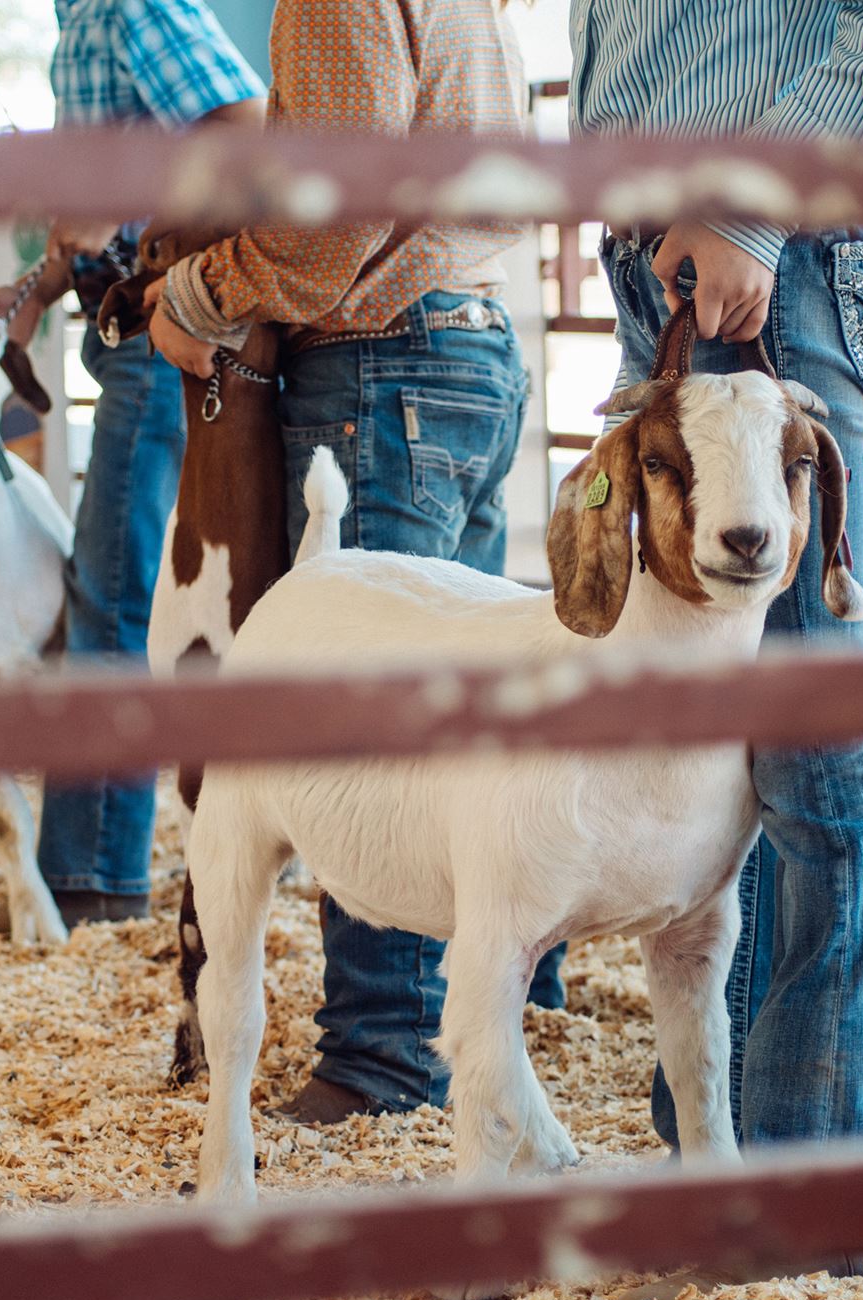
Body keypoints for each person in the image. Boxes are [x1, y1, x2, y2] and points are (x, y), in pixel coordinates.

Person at [569, 0, 863, 1296]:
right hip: (676, 254)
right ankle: (726, 1164)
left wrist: (752, 199)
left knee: (809, 751)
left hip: (772, 246)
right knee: (729, 752)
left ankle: (813, 1200)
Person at [147, 0, 564, 1123]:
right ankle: (494, 1010)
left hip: (379, 367)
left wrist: (195, 291)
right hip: (468, 349)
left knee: (366, 712)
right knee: (460, 701)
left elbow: (335, 220)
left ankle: (379, 1056)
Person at [30, 0, 266, 928]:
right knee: (120, 587)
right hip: (123, 322)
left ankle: (91, 875)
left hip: (156, 331)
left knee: (116, 589)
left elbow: (243, 127)